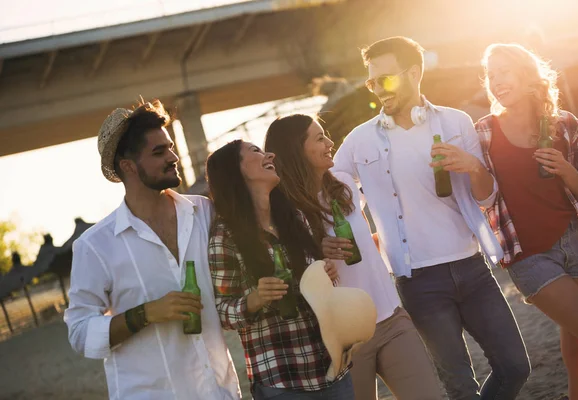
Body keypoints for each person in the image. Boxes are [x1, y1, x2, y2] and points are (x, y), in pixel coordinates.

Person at [332, 36, 531, 399]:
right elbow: (330, 199)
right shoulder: (359, 141)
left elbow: (486, 195)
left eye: (386, 79)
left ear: (414, 73)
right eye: (372, 82)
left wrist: (472, 166)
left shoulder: (456, 121)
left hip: (472, 268)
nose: (378, 89)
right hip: (418, 281)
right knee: (458, 385)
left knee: (516, 366)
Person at [64, 100, 240, 400]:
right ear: (128, 166)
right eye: (159, 152)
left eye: (170, 147)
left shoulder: (204, 212)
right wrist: (145, 314)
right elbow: (80, 333)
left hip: (220, 391)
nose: (174, 157)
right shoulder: (95, 246)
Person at [264, 114, 441, 400]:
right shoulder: (283, 212)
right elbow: (281, 265)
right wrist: (314, 250)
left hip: (391, 318)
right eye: (319, 138)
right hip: (343, 339)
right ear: (296, 149)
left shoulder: (344, 184)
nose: (330, 143)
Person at [475, 43, 578, 400]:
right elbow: (480, 194)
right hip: (528, 254)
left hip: (574, 242)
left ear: (529, 79)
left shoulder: (564, 125)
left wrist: (563, 168)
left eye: (504, 71)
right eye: (491, 74)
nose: (496, 80)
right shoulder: (483, 132)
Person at [206, 140, 353, 400]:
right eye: (255, 152)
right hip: (281, 379)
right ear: (235, 171)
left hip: (331, 366)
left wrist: (325, 273)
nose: (269, 154)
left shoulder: (294, 217)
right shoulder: (225, 235)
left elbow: (319, 288)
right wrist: (255, 299)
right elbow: (222, 313)